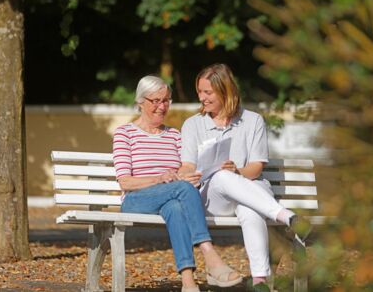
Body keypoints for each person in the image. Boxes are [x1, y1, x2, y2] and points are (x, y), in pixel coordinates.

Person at [179, 63, 312, 287]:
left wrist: (237, 171)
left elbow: (256, 168)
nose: (202, 98)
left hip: (250, 190)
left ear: (225, 91)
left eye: (208, 92)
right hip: (214, 199)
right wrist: (187, 173)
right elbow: (188, 165)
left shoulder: (253, 120)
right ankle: (288, 217)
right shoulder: (192, 124)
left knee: (250, 208)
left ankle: (260, 280)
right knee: (221, 177)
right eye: (200, 92)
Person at [112, 75, 242, 291]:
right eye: (156, 101)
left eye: (166, 100)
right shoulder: (125, 133)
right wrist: (160, 178)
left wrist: (190, 176)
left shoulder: (174, 135)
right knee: (181, 189)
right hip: (137, 200)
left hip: (171, 197)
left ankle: (188, 282)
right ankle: (209, 253)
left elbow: (185, 169)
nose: (162, 106)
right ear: (140, 101)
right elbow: (125, 182)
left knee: (175, 207)